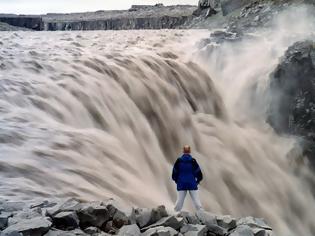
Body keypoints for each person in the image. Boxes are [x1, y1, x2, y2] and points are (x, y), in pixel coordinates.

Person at [172, 145, 203, 212]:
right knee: (196, 201)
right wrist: (197, 181)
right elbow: (199, 173)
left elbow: (174, 173)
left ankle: (175, 214)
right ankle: (201, 213)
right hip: (192, 184)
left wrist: (177, 181)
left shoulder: (178, 161)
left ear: (183, 151)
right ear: (190, 151)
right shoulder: (193, 161)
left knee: (179, 201)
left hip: (181, 184)